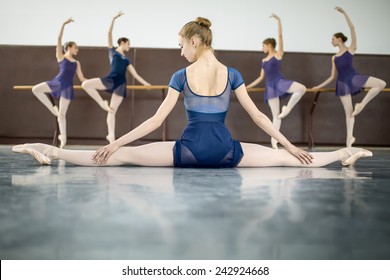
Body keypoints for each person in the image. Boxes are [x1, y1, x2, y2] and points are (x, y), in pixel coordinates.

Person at [13, 17, 372, 168]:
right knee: (290, 160)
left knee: (117, 157)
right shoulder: (231, 73)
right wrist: (291, 146)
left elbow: (156, 120)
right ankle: (346, 152)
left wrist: (119, 142)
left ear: (195, 41)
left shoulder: (181, 74)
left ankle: (49, 151)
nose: (179, 50)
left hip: (186, 151)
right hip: (227, 152)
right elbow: (259, 116)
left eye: (181, 44)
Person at [312, 7, 386, 147]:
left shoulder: (351, 48)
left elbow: (352, 28)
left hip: (353, 78)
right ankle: (349, 141)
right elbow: (332, 76)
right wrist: (319, 86)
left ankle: (362, 104)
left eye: (333, 39)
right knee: (349, 113)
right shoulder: (334, 57)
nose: (331, 41)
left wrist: (344, 13)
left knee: (381, 84)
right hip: (342, 83)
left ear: (339, 39)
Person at [81, 11, 151, 144]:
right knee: (86, 84)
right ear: (123, 43)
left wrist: (145, 83)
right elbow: (109, 34)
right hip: (110, 79)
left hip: (120, 85)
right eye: (128, 44)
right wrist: (113, 18)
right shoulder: (112, 52)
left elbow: (134, 74)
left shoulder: (126, 59)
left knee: (112, 111)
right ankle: (102, 103)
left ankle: (111, 136)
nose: (129, 47)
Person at [247, 13, 306, 149]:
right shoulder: (264, 60)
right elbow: (260, 77)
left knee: (301, 88)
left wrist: (279, 20)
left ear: (269, 45)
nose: (262, 48)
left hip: (279, 82)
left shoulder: (278, 54)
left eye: (263, 46)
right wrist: (247, 86)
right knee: (275, 116)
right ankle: (274, 141)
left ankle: (288, 108)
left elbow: (280, 37)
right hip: (270, 87)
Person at [31, 18, 87, 149]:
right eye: (75, 47)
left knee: (62, 115)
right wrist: (63, 24)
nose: (77, 50)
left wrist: (92, 84)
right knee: (36, 89)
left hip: (67, 87)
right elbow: (58, 40)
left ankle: (64, 140)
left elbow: (82, 78)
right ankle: (52, 109)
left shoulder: (76, 62)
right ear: (68, 48)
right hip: (57, 82)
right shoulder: (61, 57)